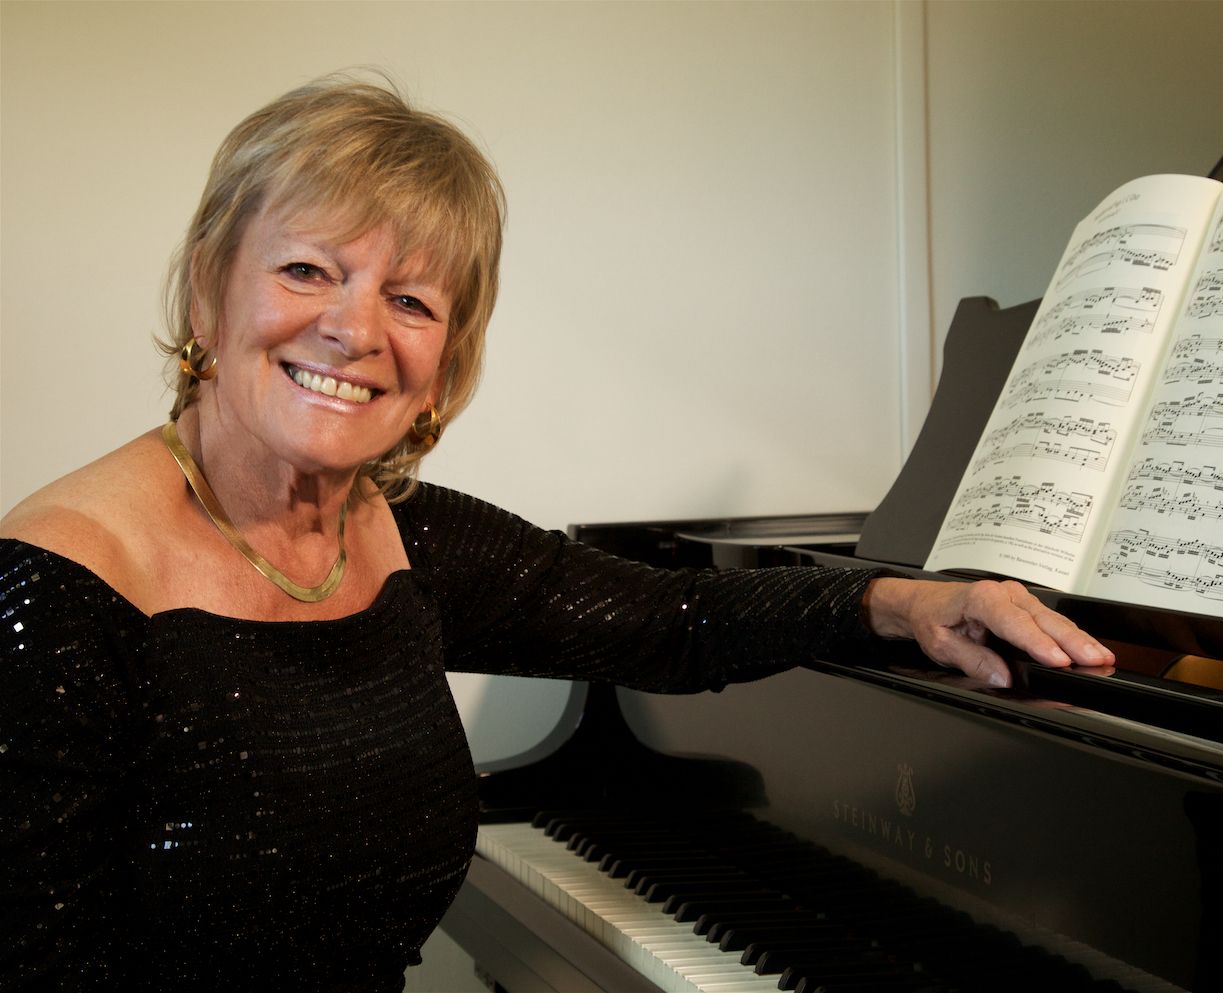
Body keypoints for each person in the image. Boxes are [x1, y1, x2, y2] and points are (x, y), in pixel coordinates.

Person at [0, 76, 1113, 991]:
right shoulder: (58, 587)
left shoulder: (392, 536)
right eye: (307, 270)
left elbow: (671, 621)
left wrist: (897, 600)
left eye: (414, 300)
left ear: (446, 358)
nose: (353, 329)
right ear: (207, 289)